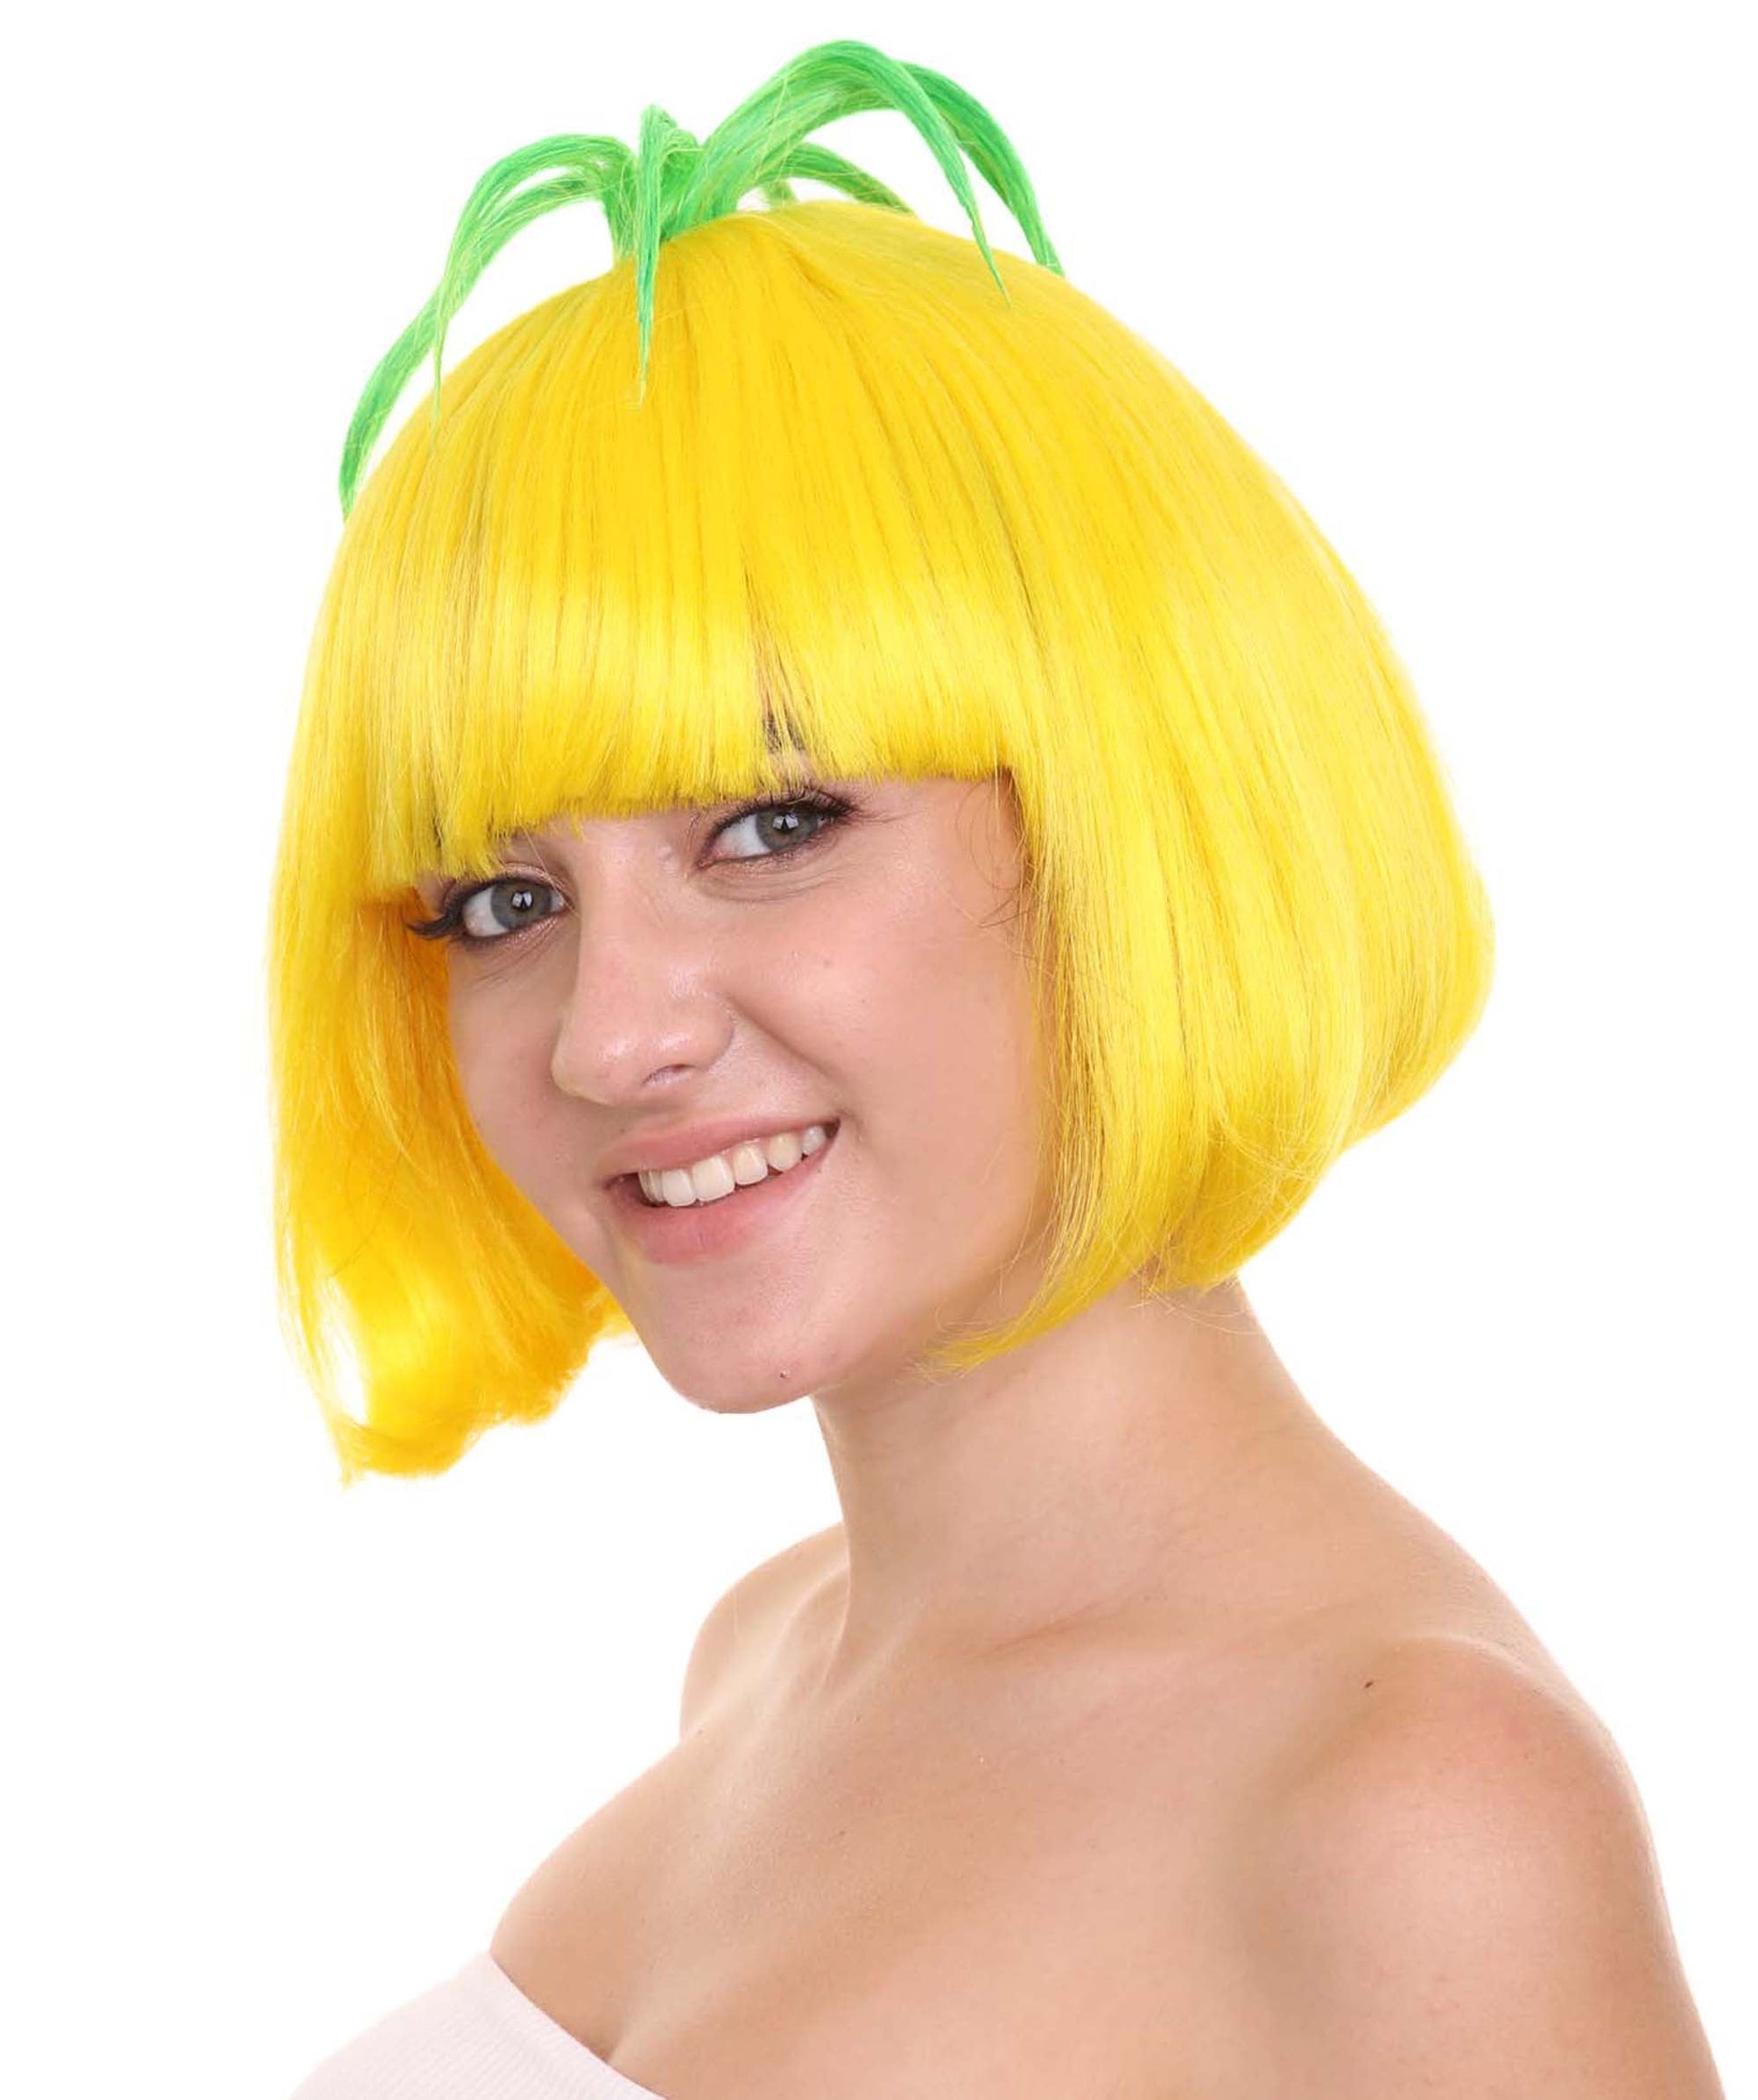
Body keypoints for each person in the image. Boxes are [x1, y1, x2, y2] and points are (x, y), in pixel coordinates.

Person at [272, 37, 1725, 2100]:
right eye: (502, 902)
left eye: (771, 824)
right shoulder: (768, 1650)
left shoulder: (1407, 1814)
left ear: (1142, 825)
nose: (609, 1032)